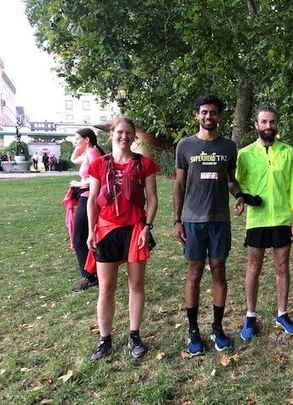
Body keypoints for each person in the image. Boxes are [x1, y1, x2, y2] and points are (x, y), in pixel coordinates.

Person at [173, 94, 242, 357]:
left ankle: (217, 327)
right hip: (192, 220)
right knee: (194, 273)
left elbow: (230, 180)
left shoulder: (228, 147)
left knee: (218, 272)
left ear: (218, 116)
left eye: (212, 112)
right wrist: (177, 220)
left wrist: (239, 196)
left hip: (220, 220)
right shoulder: (185, 146)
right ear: (197, 115)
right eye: (203, 112)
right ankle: (193, 331)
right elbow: (178, 185)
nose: (208, 116)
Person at [86, 117, 159, 361]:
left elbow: (152, 198)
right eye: (120, 132)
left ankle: (134, 335)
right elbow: (92, 199)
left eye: (129, 133)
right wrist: (90, 231)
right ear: (112, 134)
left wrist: (147, 227)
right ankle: (104, 338)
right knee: (106, 289)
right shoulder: (99, 164)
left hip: (136, 230)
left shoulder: (144, 164)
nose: (124, 136)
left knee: (136, 286)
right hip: (106, 231)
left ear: (134, 136)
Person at [235, 105, 293, 340]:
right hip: (257, 220)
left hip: (282, 218)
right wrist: (242, 198)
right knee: (254, 267)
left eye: (272, 122)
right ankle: (250, 316)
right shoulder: (244, 154)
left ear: (276, 125)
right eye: (263, 122)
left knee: (282, 266)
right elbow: (236, 183)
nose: (268, 126)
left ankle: (282, 314)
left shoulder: (288, 152)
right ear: (256, 125)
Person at [69, 128, 104, 292]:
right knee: (82, 237)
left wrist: (78, 184)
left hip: (89, 197)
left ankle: (89, 276)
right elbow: (73, 159)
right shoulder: (90, 152)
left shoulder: (93, 153)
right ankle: (92, 273)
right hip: (85, 196)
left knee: (79, 238)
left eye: (77, 139)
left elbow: (97, 178)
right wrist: (81, 144)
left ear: (87, 139)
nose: (76, 142)